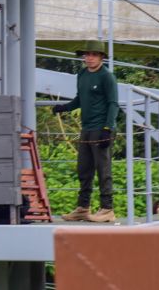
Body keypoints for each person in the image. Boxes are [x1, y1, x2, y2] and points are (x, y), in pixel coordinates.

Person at [52, 40, 119, 223]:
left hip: (101, 128)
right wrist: (64, 107)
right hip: (86, 128)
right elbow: (80, 99)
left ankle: (107, 208)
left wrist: (108, 128)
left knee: (103, 169)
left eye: (93, 55)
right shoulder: (82, 74)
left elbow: (113, 103)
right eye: (87, 54)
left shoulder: (107, 77)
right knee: (84, 169)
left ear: (101, 57)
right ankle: (83, 207)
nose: (89, 58)